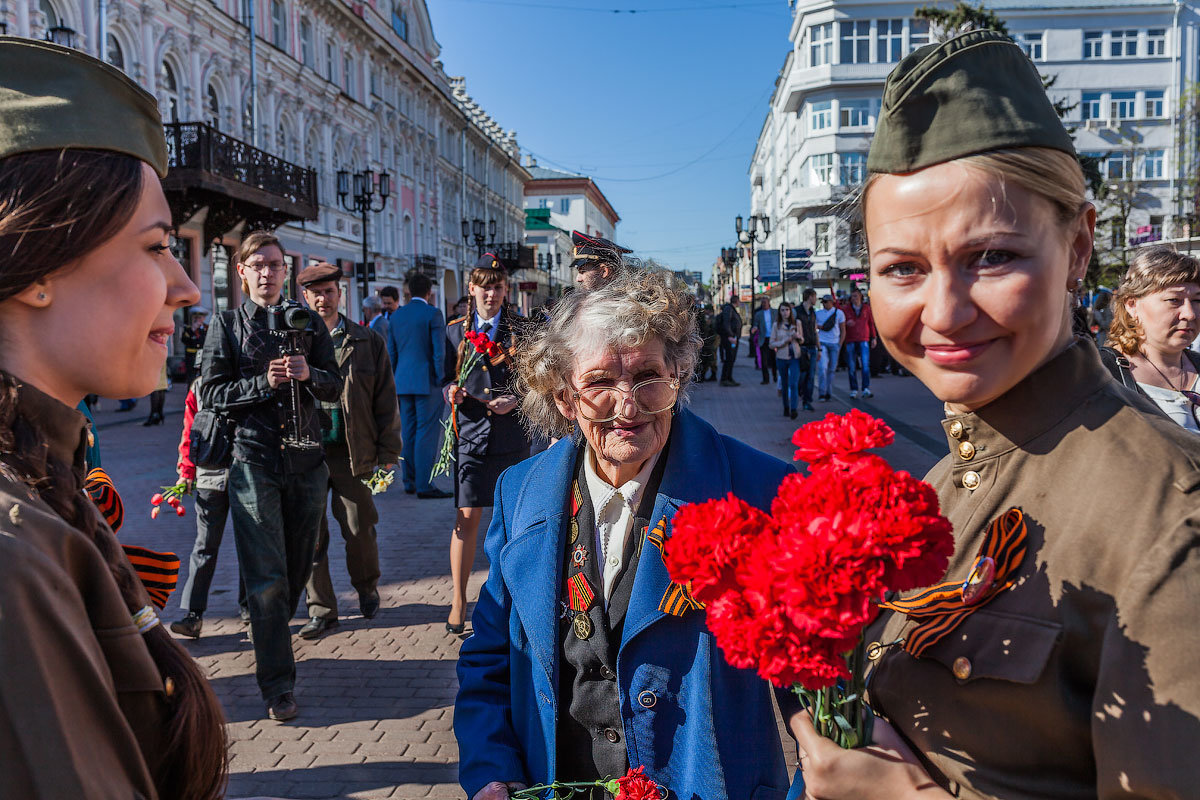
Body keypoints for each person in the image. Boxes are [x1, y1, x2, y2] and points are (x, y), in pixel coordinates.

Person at [789, 30, 1200, 800]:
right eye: (903, 269)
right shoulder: (950, 475)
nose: (944, 313)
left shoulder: (1170, 518)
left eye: (993, 257)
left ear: (1078, 248)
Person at [455, 270, 792, 800]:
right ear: (565, 398)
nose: (627, 405)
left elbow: (820, 680)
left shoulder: (760, 490)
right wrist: (493, 771)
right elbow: (490, 657)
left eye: (647, 376)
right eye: (599, 383)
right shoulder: (520, 491)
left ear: (678, 375)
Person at [0, 38, 226, 798]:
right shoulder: (13, 554)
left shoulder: (42, 478)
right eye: (159, 247)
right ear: (37, 264)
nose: (187, 288)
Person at [200, 230, 342, 721]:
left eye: (274, 265)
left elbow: (334, 383)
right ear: (242, 273)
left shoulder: (306, 323)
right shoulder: (227, 324)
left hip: (306, 464)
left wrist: (309, 376)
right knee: (267, 580)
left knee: (297, 568)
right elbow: (211, 393)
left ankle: (268, 629)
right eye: (257, 265)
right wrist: (265, 382)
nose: (266, 273)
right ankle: (277, 685)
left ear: (285, 272)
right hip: (253, 461)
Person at [298, 263, 403, 638]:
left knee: (360, 527)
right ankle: (321, 608)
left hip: (351, 451)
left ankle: (366, 586)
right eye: (316, 293)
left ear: (340, 294)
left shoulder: (364, 340)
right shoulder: (297, 342)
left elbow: (385, 398)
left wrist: (388, 450)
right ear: (305, 298)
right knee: (310, 534)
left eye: (329, 291)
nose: (323, 299)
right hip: (305, 452)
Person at [443, 253, 531, 634]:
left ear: (505, 290)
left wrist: (519, 398)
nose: (491, 293)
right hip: (471, 436)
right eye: (484, 286)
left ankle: (502, 598)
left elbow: (535, 382)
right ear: (472, 289)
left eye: (497, 286)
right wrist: (451, 391)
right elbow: (444, 378)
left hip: (510, 438)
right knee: (466, 518)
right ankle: (459, 600)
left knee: (509, 522)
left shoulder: (520, 330)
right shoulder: (453, 331)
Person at [170, 375, 247, 638]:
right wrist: (186, 471)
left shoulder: (246, 373)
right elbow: (191, 429)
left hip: (246, 474)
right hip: (210, 474)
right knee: (204, 545)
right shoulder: (200, 384)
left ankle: (250, 610)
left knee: (250, 544)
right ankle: (193, 614)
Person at [1099, 246, 1200, 432]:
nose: (1190, 314)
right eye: (1174, 300)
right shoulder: (1101, 373)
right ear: (1132, 305)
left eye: (1197, 301)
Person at [386, 272, 452, 498]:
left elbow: (391, 352)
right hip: (427, 382)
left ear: (408, 291)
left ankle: (409, 481)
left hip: (403, 381)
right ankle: (424, 485)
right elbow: (438, 351)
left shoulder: (396, 316)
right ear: (429, 292)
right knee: (427, 434)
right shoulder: (433, 313)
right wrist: (440, 377)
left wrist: (395, 378)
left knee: (408, 432)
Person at [837, 286, 877, 399]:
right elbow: (841, 322)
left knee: (865, 365)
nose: (854, 298)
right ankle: (854, 389)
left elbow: (871, 323)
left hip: (864, 338)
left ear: (860, 296)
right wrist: (846, 324)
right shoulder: (846, 309)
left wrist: (873, 337)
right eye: (852, 296)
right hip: (851, 339)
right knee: (851, 366)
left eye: (856, 296)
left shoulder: (866, 308)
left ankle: (865, 388)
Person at [770, 301, 804, 419]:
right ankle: (786, 407)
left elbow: (802, 339)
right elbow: (771, 343)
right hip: (782, 357)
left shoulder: (797, 323)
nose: (785, 313)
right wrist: (785, 340)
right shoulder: (776, 325)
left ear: (791, 311)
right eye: (783, 310)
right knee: (784, 384)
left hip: (795, 356)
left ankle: (794, 408)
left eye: (787, 310)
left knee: (794, 383)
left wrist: (798, 337)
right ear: (780, 312)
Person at [813, 294, 845, 401]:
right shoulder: (818, 314)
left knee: (831, 369)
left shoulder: (839, 313)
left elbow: (843, 330)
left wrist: (840, 344)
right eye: (823, 302)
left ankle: (829, 392)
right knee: (822, 368)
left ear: (832, 302)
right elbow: (814, 327)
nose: (824, 304)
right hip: (822, 342)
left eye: (826, 302)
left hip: (834, 343)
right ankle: (822, 392)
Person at [796, 288, 819, 411]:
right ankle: (798, 390)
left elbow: (815, 331)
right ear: (810, 297)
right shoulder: (797, 311)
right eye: (814, 297)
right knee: (802, 375)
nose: (815, 299)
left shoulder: (813, 311)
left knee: (810, 376)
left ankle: (807, 401)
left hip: (812, 347)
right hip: (802, 348)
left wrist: (819, 348)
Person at [715, 292, 743, 386]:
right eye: (739, 301)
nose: (739, 302)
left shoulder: (731, 309)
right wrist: (731, 336)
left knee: (731, 359)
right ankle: (724, 379)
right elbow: (726, 324)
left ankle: (729, 378)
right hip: (730, 339)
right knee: (729, 359)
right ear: (736, 301)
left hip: (733, 338)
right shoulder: (729, 309)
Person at [751, 295, 778, 385]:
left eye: (765, 302)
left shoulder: (775, 312)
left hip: (773, 339)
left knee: (774, 360)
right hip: (763, 339)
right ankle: (765, 379)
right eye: (762, 302)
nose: (763, 304)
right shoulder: (758, 314)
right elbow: (755, 324)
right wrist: (754, 328)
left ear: (769, 302)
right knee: (764, 361)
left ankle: (775, 376)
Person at [181, 306, 209, 384]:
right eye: (196, 318)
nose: (198, 320)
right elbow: (184, 340)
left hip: (203, 355)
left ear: (204, 318)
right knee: (191, 377)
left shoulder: (207, 328)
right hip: (192, 356)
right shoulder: (188, 329)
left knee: (203, 376)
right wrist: (192, 330)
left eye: (200, 318)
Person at [697, 304, 720, 382]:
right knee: (711, 358)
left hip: (712, 341)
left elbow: (711, 330)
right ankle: (712, 375)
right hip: (712, 341)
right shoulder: (712, 318)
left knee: (710, 358)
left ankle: (709, 375)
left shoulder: (711, 319)